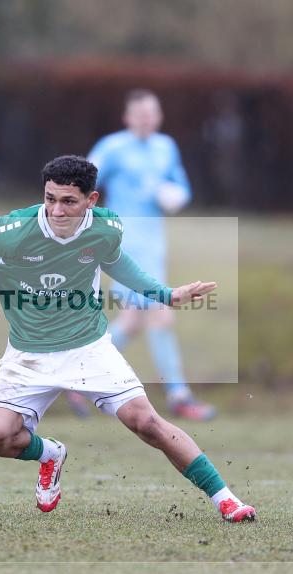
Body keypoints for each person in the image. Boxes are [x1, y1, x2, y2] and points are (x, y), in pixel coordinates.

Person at [0, 155, 255, 522]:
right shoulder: (15, 230)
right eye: (50, 198)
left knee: (146, 423)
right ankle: (50, 454)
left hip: (88, 348)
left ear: (91, 200)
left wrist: (167, 294)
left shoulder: (106, 229)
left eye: (68, 201)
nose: (57, 210)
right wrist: (5, 266)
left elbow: (116, 262)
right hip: (28, 354)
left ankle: (226, 500)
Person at [86, 89, 216, 421]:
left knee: (131, 322)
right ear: (128, 118)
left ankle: (78, 378)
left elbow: (180, 186)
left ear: (158, 117)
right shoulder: (113, 147)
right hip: (125, 244)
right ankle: (179, 396)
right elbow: (85, 181)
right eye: (140, 115)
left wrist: (177, 195)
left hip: (154, 244)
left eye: (152, 114)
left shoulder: (165, 147)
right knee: (160, 313)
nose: (147, 120)